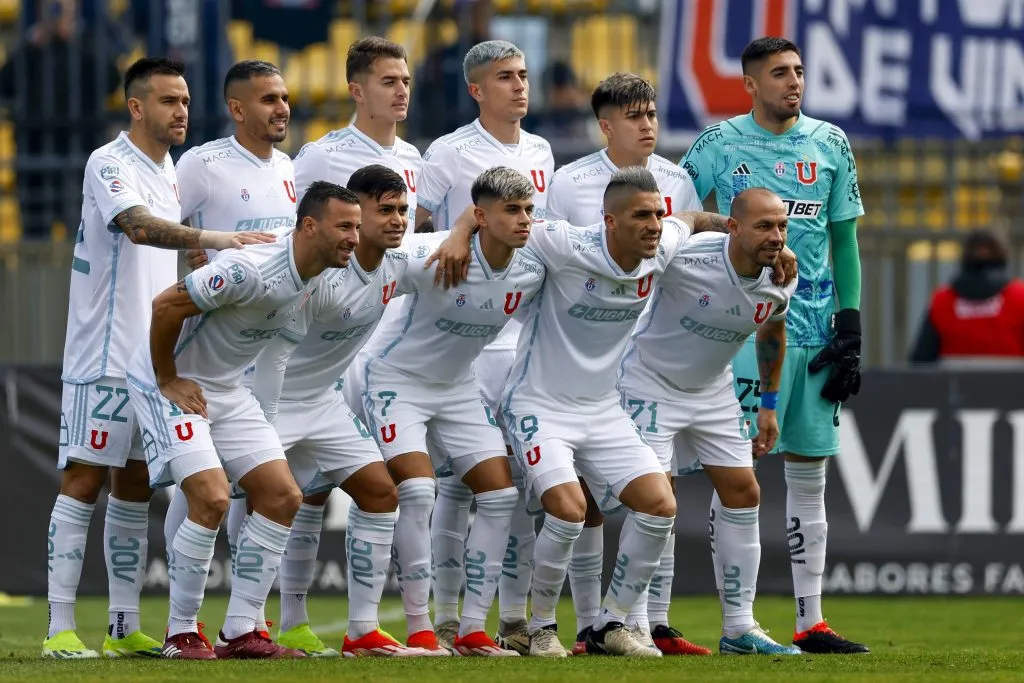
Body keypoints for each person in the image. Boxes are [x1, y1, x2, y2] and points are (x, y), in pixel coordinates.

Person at [432, 167, 777, 658]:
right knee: (570, 512)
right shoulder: (566, 243)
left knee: (660, 505)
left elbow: (692, 218)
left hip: (602, 409)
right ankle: (541, 627)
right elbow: (500, 218)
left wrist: (765, 241)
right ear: (609, 221)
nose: (655, 224)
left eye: (657, 214)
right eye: (641, 216)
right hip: (539, 404)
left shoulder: (662, 245)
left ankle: (609, 622)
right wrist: (459, 232)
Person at [42, 56, 273, 660]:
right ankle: (59, 628)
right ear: (137, 106)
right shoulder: (109, 162)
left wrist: (200, 263)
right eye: (170, 102)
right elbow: (140, 228)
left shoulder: (171, 168)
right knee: (84, 477)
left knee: (136, 484)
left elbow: (165, 244)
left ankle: (122, 628)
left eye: (188, 102)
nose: (182, 113)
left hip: (151, 357)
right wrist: (215, 240)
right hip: (103, 351)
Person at [679, 36, 869, 654]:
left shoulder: (831, 143)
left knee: (809, 474)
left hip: (814, 332)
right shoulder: (717, 143)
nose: (794, 82)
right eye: (780, 73)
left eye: (799, 72)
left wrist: (851, 324)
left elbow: (845, 242)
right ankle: (739, 620)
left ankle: (810, 620)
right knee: (740, 473)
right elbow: (672, 217)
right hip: (743, 330)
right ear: (751, 84)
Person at [125, 181, 359, 659]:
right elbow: (165, 305)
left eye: (357, 226)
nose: (354, 237)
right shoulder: (249, 270)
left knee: (282, 495)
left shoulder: (319, 268)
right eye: (344, 226)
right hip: (170, 381)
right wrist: (167, 377)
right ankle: (181, 633)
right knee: (211, 498)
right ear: (309, 227)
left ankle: (240, 632)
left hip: (228, 389)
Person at [544, 71, 707, 657]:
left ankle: (646, 621)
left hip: (646, 356)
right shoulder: (569, 182)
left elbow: (683, 263)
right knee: (584, 499)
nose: (648, 126)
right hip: (582, 354)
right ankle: (591, 624)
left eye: (653, 115)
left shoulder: (678, 181)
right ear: (606, 125)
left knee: (656, 487)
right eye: (635, 117)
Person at [250, 165, 442, 657]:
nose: (399, 220)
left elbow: (450, 241)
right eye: (385, 211)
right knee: (240, 503)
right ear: (354, 216)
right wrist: (261, 420)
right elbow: (273, 349)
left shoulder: (398, 262)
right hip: (267, 400)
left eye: (402, 210)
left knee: (381, 492)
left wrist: (463, 232)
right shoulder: (322, 274)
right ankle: (242, 625)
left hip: (323, 402)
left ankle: (362, 631)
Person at [360, 166, 544, 657]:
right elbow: (359, 263)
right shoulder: (432, 254)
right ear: (482, 216)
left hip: (458, 387)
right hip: (396, 380)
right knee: (418, 491)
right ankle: (421, 627)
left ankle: (472, 631)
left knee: (501, 496)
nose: (525, 220)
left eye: (529, 210)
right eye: (512, 211)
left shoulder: (534, 263)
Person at [413, 39, 555, 654]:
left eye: (523, 75)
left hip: (522, 335)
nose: (519, 87)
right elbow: (417, 232)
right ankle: (447, 618)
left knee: (520, 482)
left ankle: (515, 619)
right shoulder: (447, 153)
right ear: (476, 89)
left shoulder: (541, 149)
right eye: (504, 77)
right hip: (461, 340)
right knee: (454, 484)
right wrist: (464, 228)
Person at [619, 187, 801, 655]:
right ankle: (635, 622)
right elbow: (675, 220)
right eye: (764, 226)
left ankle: (740, 628)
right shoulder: (690, 255)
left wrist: (769, 402)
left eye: (782, 226)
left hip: (713, 389)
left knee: (744, 492)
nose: (776, 237)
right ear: (734, 228)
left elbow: (773, 330)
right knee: (656, 501)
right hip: (649, 381)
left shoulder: (782, 275)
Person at [161, 58, 297, 646]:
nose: (282, 108)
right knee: (202, 492)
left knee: (268, 491)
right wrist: (191, 261)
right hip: (194, 345)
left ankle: (244, 623)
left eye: (285, 97)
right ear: (238, 108)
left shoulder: (290, 167)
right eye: (268, 99)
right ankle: (180, 622)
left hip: (256, 353)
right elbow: (154, 231)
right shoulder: (204, 164)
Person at [0, 0, 121, 239]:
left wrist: (75, 40)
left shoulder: (88, 43)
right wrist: (35, 42)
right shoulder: (30, 47)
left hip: (81, 155)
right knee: (36, 233)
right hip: (35, 153)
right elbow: (5, 86)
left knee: (83, 232)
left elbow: (111, 81)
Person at [293, 37, 421, 218]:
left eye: (406, 82)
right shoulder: (323, 156)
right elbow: (284, 221)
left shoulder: (412, 156)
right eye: (389, 82)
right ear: (357, 92)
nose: (402, 92)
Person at [910, 228, 1024, 364]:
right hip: (1012, 384)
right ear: (1003, 257)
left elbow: (920, 361)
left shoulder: (943, 301)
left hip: (953, 384)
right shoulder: (1019, 298)